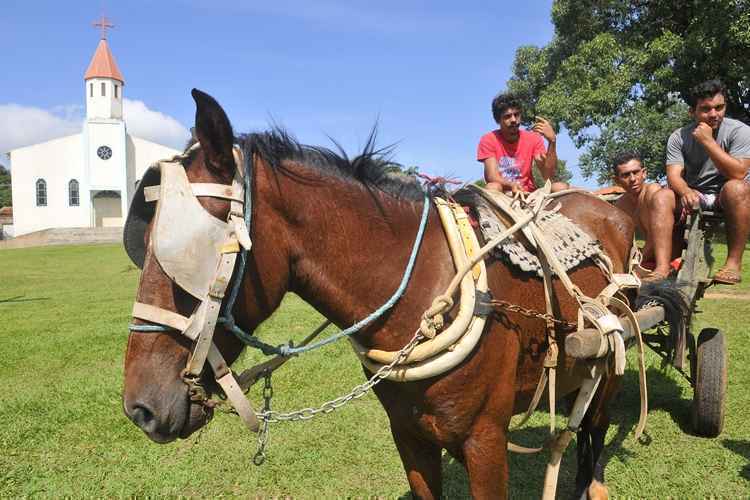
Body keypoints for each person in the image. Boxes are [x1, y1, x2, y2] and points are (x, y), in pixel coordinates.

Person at [666, 79, 750, 284]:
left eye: (719, 108)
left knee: (736, 188)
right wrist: (685, 191)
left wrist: (708, 141)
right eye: (705, 109)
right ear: (692, 112)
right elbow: (673, 175)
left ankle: (733, 263)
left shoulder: (740, 130)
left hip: (730, 195)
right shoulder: (678, 137)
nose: (714, 114)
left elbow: (738, 173)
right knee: (660, 195)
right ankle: (662, 264)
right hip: (696, 193)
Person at [477, 92, 567, 193]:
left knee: (560, 187)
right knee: (492, 187)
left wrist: (552, 142)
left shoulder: (534, 138)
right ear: (498, 120)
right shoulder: (488, 139)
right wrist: (512, 185)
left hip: (529, 193)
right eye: (507, 116)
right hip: (502, 194)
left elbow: (548, 176)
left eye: (516, 115)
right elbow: (491, 176)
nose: (513, 120)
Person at [610, 152, 680, 281]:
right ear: (616, 180)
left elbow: (656, 236)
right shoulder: (621, 205)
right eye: (625, 175)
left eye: (635, 172)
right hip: (646, 259)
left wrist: (637, 261)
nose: (632, 179)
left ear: (644, 173)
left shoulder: (652, 191)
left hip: (670, 257)